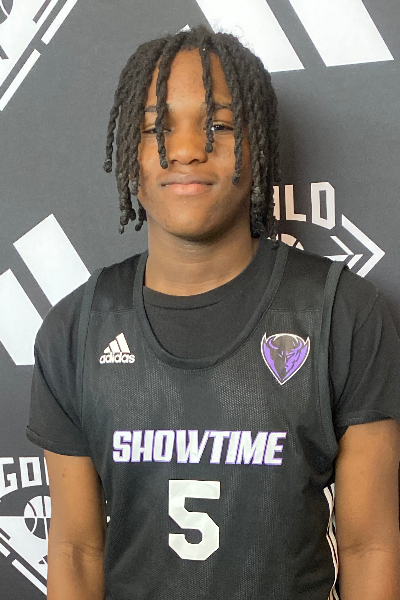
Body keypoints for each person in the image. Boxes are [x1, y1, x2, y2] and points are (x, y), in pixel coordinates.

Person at [27, 25, 400, 600]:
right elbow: (75, 551)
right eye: (157, 129)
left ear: (259, 144)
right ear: (129, 152)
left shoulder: (342, 314)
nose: (185, 150)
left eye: (219, 126)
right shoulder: (76, 329)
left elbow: (368, 546)